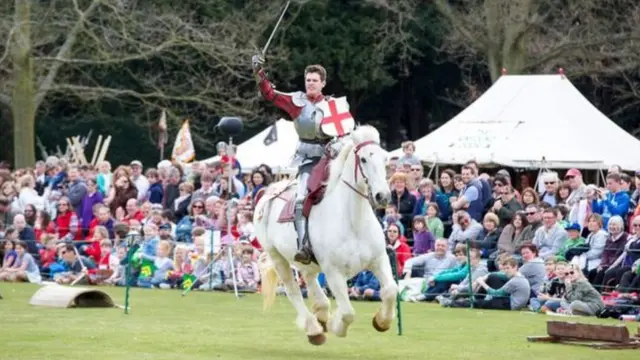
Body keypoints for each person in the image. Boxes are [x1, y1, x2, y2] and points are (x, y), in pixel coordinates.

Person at [252, 54, 350, 265]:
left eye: (315, 80)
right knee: (300, 198)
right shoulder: (297, 102)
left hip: (332, 159)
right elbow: (270, 94)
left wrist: (337, 145)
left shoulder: (334, 105)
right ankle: (304, 245)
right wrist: (259, 73)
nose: (311, 84)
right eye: (308, 80)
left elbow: (345, 132)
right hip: (307, 160)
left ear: (323, 83)